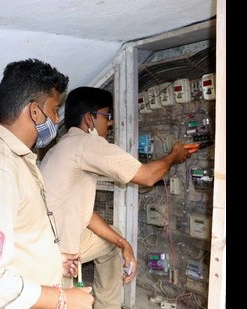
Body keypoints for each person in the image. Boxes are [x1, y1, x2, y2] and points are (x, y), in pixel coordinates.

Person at [0, 58, 95, 308]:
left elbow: (18, 232)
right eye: (54, 110)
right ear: (35, 111)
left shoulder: (12, 157)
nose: (56, 118)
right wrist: (63, 299)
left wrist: (51, 260)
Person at [39, 86, 198, 309]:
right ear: (90, 119)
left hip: (46, 238)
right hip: (56, 252)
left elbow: (81, 212)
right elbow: (146, 176)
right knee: (63, 302)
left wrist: (123, 244)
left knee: (113, 240)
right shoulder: (87, 144)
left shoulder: (60, 148)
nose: (111, 123)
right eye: (107, 116)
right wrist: (174, 156)